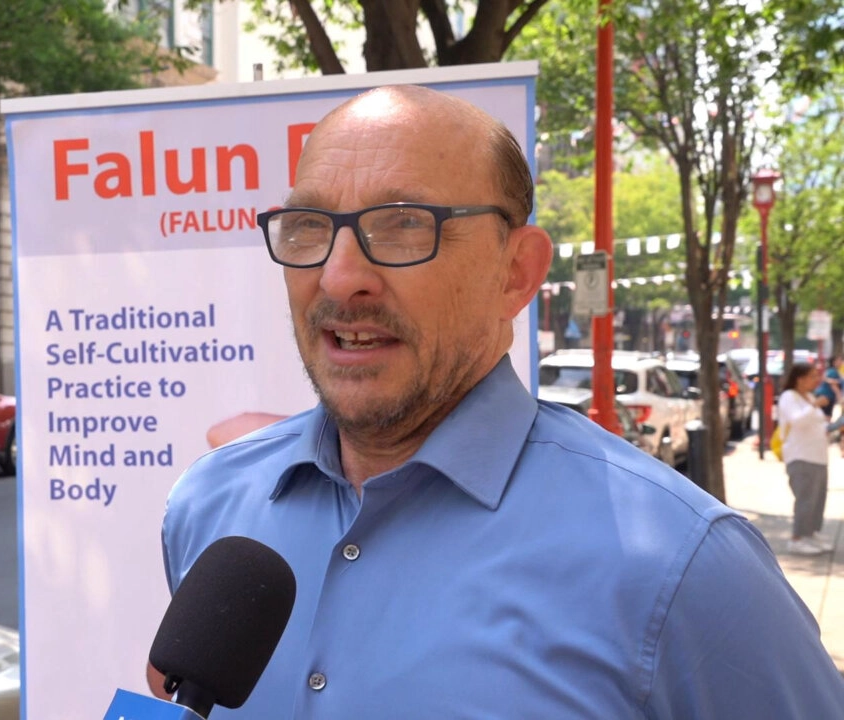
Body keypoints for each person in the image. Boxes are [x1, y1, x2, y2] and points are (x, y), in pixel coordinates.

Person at [159, 86, 844, 718]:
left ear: (516, 273)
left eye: (402, 225)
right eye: (310, 225)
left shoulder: (683, 565)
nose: (340, 276)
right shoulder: (211, 505)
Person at [778, 362, 834, 556]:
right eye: (812, 376)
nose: (816, 380)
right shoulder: (789, 397)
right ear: (799, 378)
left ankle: (810, 533)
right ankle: (797, 538)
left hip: (818, 456)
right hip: (801, 456)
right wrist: (815, 405)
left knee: (817, 498)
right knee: (805, 499)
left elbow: (814, 423)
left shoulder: (809, 397)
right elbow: (797, 421)